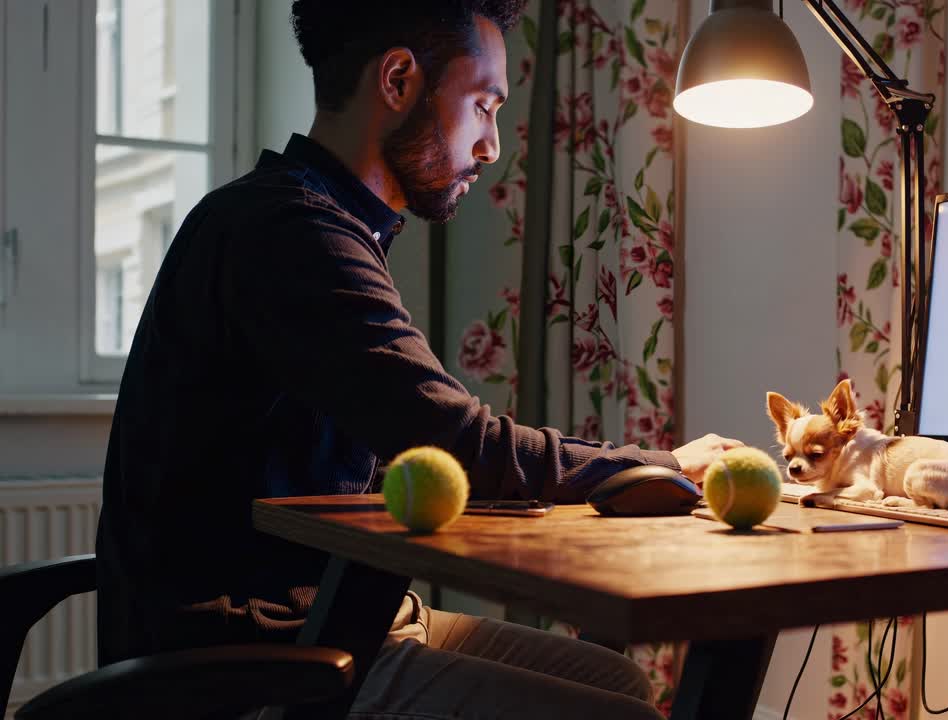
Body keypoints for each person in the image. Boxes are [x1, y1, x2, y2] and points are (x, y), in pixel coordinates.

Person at [94, 1, 740, 717]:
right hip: (252, 656)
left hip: (341, 618)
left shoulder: (309, 222)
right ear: (398, 79)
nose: (492, 145)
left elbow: (434, 440)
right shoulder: (292, 234)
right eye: (484, 106)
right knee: (617, 713)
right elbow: (456, 441)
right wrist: (663, 467)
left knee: (615, 681)